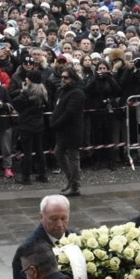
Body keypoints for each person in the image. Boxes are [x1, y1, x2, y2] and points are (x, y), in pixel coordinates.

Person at [51, 65, 85, 196]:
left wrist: (56, 124)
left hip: (72, 130)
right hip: (63, 130)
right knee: (58, 153)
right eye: (62, 77)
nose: (63, 80)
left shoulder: (77, 93)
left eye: (66, 77)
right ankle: (70, 179)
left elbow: (70, 113)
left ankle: (75, 185)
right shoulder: (63, 90)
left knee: (73, 158)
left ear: (72, 79)